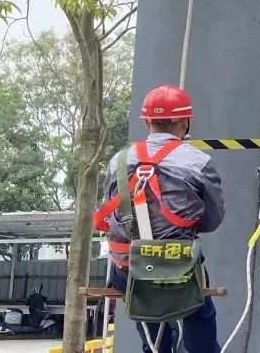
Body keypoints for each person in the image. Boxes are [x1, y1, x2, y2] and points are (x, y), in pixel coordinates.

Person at [93, 84, 225, 353]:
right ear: (185, 122)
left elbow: (113, 212)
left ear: (148, 122)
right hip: (178, 268)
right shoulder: (197, 162)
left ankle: (156, 347)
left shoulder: (118, 161)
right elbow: (212, 220)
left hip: (127, 267)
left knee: (146, 307)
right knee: (198, 315)